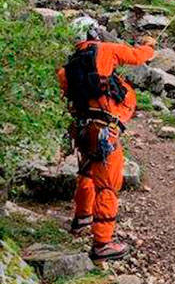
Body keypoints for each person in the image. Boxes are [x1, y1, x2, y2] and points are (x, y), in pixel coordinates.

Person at [57, 20, 156, 261]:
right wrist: (149, 46)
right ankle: (102, 244)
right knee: (107, 186)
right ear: (93, 33)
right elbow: (138, 57)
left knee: (87, 173)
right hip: (104, 129)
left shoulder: (67, 68)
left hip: (82, 129)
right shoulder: (106, 50)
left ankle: (82, 218)